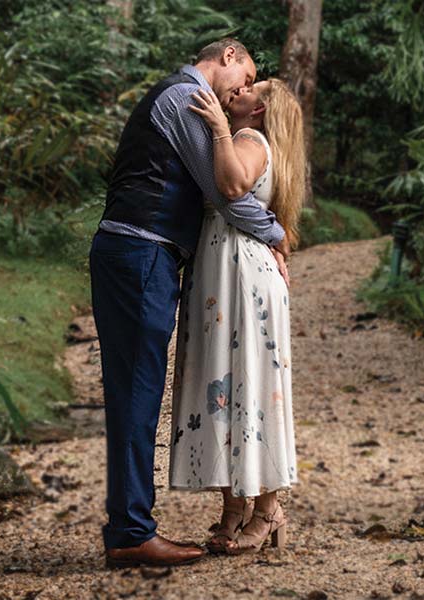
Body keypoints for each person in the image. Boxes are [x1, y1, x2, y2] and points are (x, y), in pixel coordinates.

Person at [89, 38, 290, 569]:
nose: (243, 91)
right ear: (227, 54)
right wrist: (276, 232)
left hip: (142, 252)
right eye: (244, 78)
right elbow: (225, 190)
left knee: (136, 390)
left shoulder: (192, 101)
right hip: (140, 250)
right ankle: (131, 531)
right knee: (135, 392)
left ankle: (129, 525)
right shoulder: (185, 98)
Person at [168, 78, 305, 555]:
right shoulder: (250, 138)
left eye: (252, 88)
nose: (239, 90)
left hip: (240, 272)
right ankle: (234, 506)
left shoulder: (249, 139)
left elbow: (231, 185)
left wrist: (220, 130)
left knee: (249, 385)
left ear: (260, 108)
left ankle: (267, 509)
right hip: (224, 270)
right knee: (225, 389)